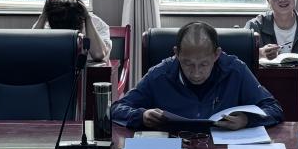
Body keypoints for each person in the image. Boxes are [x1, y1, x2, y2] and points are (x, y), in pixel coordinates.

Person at [110, 21, 283, 130]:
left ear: (216, 55)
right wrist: (141, 116)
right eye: (188, 63)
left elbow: (274, 109)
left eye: (204, 64)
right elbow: (117, 108)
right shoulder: (160, 74)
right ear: (177, 53)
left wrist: (247, 119)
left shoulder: (235, 70)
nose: (196, 72)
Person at [33, 0, 112, 62]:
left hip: (89, 71)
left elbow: (98, 55)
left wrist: (87, 18)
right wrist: (44, 14)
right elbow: (30, 48)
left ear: (82, 22)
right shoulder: (48, 24)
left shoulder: (97, 24)